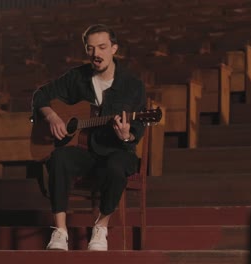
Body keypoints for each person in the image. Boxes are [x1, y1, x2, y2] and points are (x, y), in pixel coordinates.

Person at [31, 24, 146, 251]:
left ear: (114, 48)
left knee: (116, 166)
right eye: (91, 48)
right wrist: (53, 117)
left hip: (117, 151)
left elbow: (138, 126)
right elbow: (41, 96)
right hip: (83, 151)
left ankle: (100, 228)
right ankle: (60, 231)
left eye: (102, 47)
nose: (96, 54)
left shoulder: (133, 85)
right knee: (59, 158)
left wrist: (127, 135)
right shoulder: (77, 78)